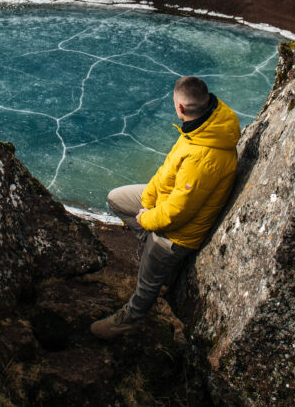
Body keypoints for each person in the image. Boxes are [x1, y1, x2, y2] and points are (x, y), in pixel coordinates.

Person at [90, 76, 240, 339]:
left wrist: (148, 220)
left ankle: (129, 319)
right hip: (164, 203)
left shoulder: (203, 157)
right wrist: (147, 201)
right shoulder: (203, 125)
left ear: (179, 107)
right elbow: (166, 172)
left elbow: (177, 214)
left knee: (146, 283)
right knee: (117, 199)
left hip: (178, 234)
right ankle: (150, 243)